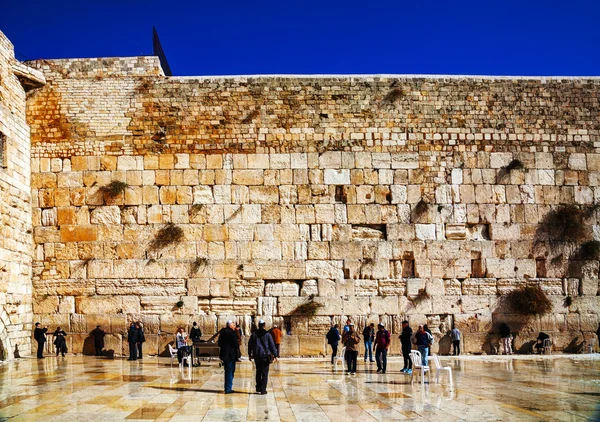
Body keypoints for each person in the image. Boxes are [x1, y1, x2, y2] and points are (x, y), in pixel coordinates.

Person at [249, 320, 278, 395]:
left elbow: (250, 345)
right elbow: (272, 345)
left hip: (257, 356)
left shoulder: (254, 334)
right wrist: (275, 355)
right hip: (265, 356)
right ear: (264, 325)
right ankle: (263, 389)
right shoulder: (267, 334)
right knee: (264, 373)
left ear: (258, 325)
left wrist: (250, 354)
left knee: (258, 372)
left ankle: (258, 387)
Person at [218, 320, 240, 394]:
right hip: (231, 355)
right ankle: (228, 388)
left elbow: (219, 343)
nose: (234, 326)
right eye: (233, 325)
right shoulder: (232, 333)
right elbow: (236, 344)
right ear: (230, 325)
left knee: (227, 371)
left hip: (224, 354)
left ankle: (227, 387)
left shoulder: (222, 333)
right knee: (230, 371)